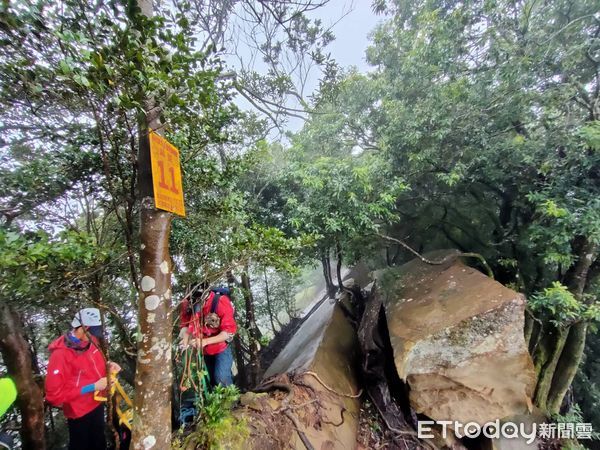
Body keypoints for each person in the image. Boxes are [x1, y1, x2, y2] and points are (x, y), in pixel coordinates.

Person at [45, 308, 120, 450]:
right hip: (78, 412)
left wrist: (109, 365)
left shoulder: (91, 341)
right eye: (92, 333)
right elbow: (53, 397)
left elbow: (94, 364)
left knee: (99, 442)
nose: (94, 337)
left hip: (97, 403)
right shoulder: (60, 356)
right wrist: (92, 387)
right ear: (83, 328)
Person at [182, 287, 237, 387]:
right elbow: (186, 326)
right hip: (203, 350)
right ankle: (217, 400)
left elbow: (228, 332)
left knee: (221, 377)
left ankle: (231, 401)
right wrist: (185, 342)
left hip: (220, 346)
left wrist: (205, 341)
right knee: (210, 380)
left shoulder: (220, 301)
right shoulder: (187, 304)